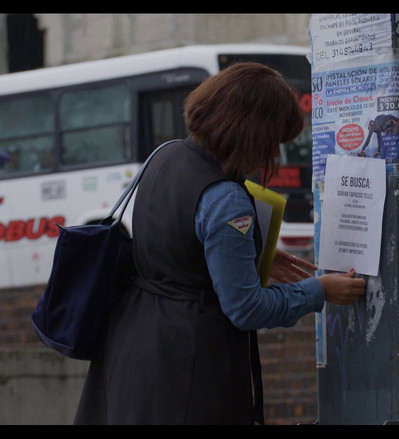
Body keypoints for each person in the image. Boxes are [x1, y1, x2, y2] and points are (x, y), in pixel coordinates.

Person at [73, 62, 367, 425]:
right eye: (273, 141)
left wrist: (248, 254)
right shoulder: (225, 197)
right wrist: (319, 291)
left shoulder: (164, 155)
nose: (272, 156)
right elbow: (247, 308)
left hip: (131, 349)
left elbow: (175, 246)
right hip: (187, 369)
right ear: (251, 132)